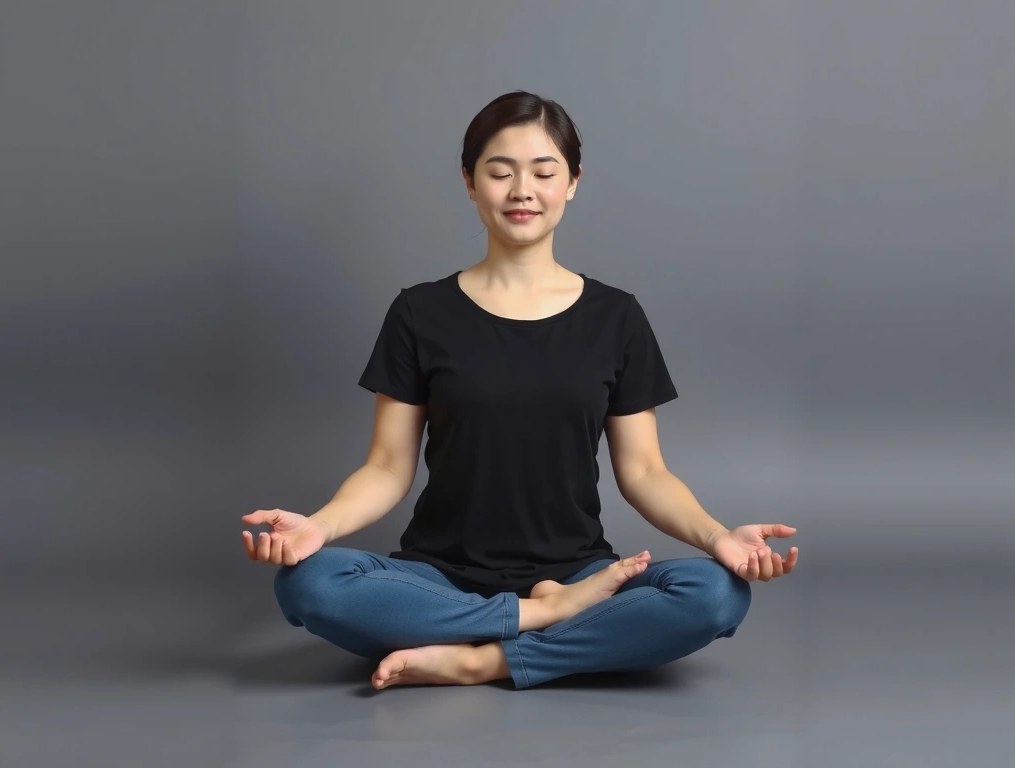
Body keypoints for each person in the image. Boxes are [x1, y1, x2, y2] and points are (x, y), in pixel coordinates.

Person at [240, 90, 799, 691]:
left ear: (573, 182)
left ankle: (480, 659)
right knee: (308, 582)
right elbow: (386, 467)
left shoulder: (617, 317)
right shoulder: (418, 312)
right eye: (500, 172)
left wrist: (718, 537)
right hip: (440, 579)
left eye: (543, 172)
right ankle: (540, 624)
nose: (521, 191)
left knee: (715, 594)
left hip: (582, 575)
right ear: (469, 182)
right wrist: (318, 527)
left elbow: (644, 472)